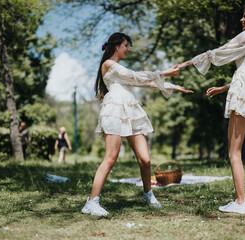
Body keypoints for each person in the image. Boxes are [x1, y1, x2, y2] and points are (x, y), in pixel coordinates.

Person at [179, 6, 245, 215]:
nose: (242, 19)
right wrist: (224, 88)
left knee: (234, 152)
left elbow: (219, 53)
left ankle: (241, 202)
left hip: (244, 93)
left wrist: (186, 63)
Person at [81, 32, 193, 216]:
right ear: (116, 46)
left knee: (145, 159)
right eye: (126, 45)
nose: (128, 49)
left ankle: (148, 195)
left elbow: (144, 83)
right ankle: (92, 202)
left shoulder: (118, 68)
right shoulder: (108, 64)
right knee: (110, 158)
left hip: (130, 112)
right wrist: (164, 72)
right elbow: (135, 76)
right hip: (114, 112)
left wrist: (172, 86)